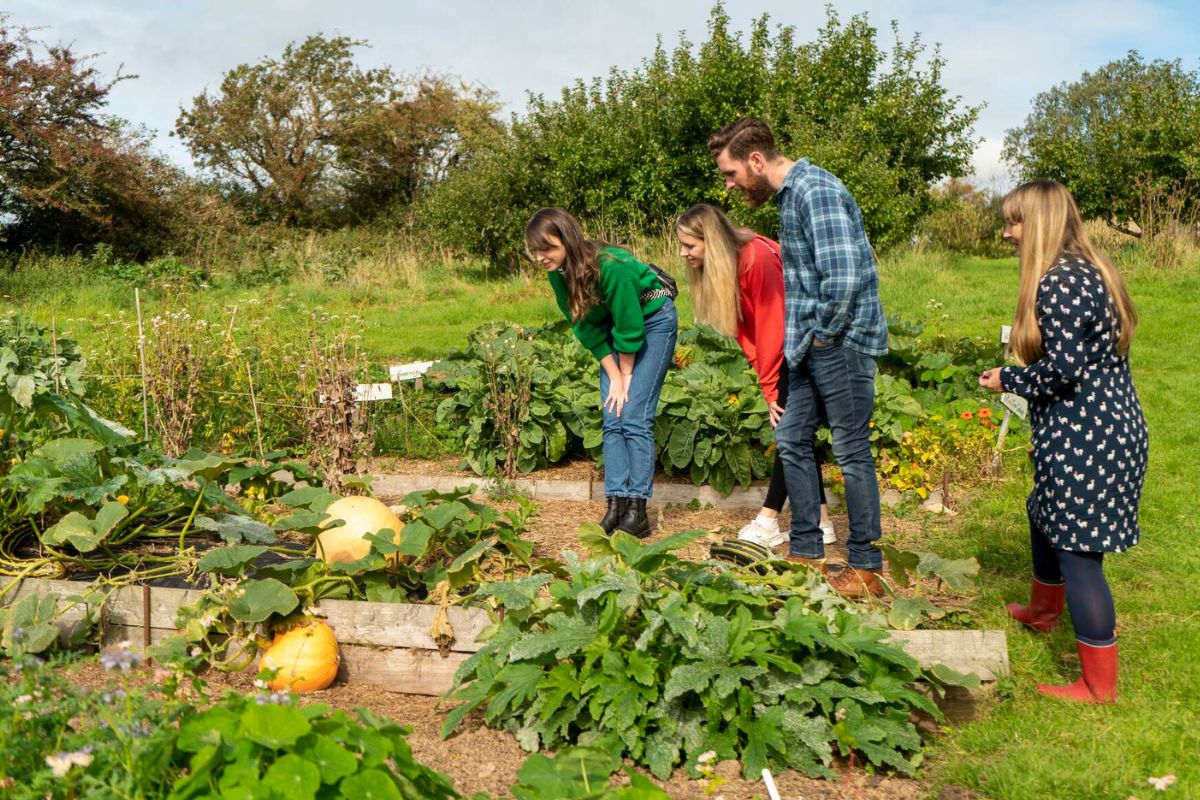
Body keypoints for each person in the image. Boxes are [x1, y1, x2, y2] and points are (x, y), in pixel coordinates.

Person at [979, 180, 1147, 703]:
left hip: (1089, 432)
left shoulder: (1059, 281)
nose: (1007, 233)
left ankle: (1099, 686)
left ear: (1040, 224)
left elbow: (1064, 372)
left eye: (1014, 221)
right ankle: (1045, 612)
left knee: (1079, 552)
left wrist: (1007, 380)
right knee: (1042, 513)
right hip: (1101, 424)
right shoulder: (1091, 267)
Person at [707, 117, 888, 598]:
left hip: (840, 343)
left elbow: (845, 276)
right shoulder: (791, 198)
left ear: (757, 160)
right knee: (790, 438)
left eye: (731, 174)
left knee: (851, 450)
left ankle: (867, 566)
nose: (730, 185)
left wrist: (825, 336)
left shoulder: (814, 191)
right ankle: (806, 552)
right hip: (810, 345)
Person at [675, 203, 836, 549]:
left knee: (789, 434)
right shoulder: (725, 268)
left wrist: (770, 389)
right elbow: (743, 329)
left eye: (690, 245)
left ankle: (768, 520)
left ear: (712, 241)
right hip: (781, 349)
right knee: (797, 435)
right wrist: (763, 376)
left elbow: (772, 326)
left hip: (803, 346)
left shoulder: (756, 258)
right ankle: (823, 522)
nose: (684, 253)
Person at [525, 208, 679, 538]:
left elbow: (630, 325)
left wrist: (625, 376)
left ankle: (638, 511)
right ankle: (616, 505)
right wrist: (613, 372)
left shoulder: (613, 265)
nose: (540, 257)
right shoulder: (559, 272)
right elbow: (583, 326)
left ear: (567, 239)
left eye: (547, 248)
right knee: (612, 415)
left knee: (634, 414)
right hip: (613, 329)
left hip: (652, 322)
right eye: (535, 250)